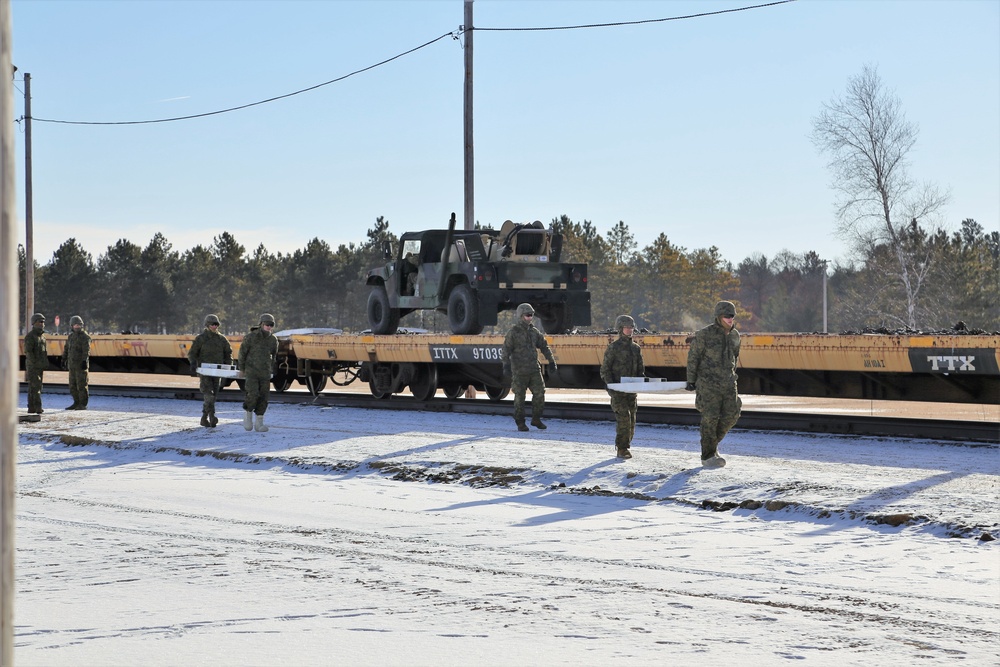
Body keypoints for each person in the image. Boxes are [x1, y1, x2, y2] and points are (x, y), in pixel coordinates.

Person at [685, 300, 741, 468]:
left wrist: (731, 375)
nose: (730, 319)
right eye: (727, 316)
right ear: (718, 317)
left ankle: (712, 446)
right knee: (710, 418)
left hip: (729, 383)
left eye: (732, 316)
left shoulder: (734, 335)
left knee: (733, 414)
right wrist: (691, 380)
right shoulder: (704, 335)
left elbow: (734, 358)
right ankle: (708, 456)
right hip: (708, 384)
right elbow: (693, 358)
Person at [501, 303, 557, 431]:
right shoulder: (513, 332)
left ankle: (536, 419)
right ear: (521, 316)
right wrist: (506, 365)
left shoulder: (534, 332)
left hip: (534, 370)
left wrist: (552, 361)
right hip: (519, 371)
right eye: (527, 315)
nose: (530, 317)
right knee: (520, 397)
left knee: (540, 393)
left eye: (531, 315)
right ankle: (520, 422)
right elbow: (506, 350)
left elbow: (544, 346)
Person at [600, 315, 645, 459]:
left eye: (631, 327)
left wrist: (643, 382)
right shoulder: (613, 348)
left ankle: (626, 446)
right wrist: (611, 388)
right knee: (624, 419)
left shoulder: (636, 349)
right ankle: (622, 448)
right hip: (618, 391)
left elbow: (640, 371)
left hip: (631, 392)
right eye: (627, 327)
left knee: (632, 421)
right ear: (620, 329)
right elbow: (605, 370)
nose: (630, 330)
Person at [187, 313, 233, 427]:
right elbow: (192, 353)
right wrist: (193, 363)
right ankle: (211, 417)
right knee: (209, 394)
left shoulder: (222, 339)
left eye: (216, 324)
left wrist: (228, 367)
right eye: (212, 324)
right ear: (207, 325)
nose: (215, 326)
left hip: (218, 371)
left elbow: (228, 353)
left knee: (214, 395)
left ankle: (204, 418)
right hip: (205, 371)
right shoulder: (201, 338)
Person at [238, 313, 279, 432]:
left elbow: (274, 355)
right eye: (267, 324)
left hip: (265, 373)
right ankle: (248, 417)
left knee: (264, 397)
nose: (269, 327)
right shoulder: (251, 337)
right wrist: (242, 369)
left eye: (271, 325)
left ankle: (259, 423)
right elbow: (242, 353)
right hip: (251, 372)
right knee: (253, 394)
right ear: (261, 324)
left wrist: (272, 368)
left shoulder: (273, 340)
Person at [63, 315, 92, 410]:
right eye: (75, 325)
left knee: (82, 385)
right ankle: (76, 402)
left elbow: (86, 350)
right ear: (71, 326)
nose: (77, 327)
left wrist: (84, 361)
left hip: (81, 365)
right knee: (72, 385)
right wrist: (64, 359)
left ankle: (83, 404)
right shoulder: (71, 337)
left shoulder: (85, 337)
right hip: (72, 365)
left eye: (79, 325)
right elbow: (67, 349)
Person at [24, 313, 48, 414]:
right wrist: (33, 363)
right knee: (35, 386)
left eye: (43, 322)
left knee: (36, 386)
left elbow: (44, 352)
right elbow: (28, 352)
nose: (42, 324)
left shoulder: (42, 337)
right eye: (39, 322)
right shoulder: (30, 336)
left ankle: (32, 407)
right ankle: (37, 407)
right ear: (34, 323)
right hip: (33, 366)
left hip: (39, 366)